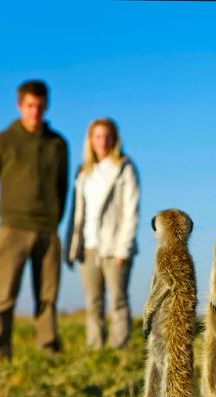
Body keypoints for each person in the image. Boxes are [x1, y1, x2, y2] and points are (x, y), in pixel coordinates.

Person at [0, 80, 69, 360]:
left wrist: (55, 221)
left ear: (46, 106)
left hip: (48, 231)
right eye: (29, 106)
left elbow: (63, 189)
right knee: (4, 297)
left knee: (47, 298)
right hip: (12, 229)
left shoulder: (58, 144)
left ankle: (48, 352)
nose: (35, 111)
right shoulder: (2, 141)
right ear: (19, 106)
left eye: (39, 106)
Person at [64, 118, 140, 349]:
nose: (103, 141)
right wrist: (73, 246)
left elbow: (131, 209)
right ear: (90, 140)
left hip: (115, 246)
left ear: (115, 139)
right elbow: (77, 212)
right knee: (93, 302)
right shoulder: (83, 172)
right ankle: (96, 349)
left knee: (118, 300)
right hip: (89, 246)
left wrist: (123, 247)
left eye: (107, 136)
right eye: (97, 136)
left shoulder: (124, 168)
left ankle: (118, 348)